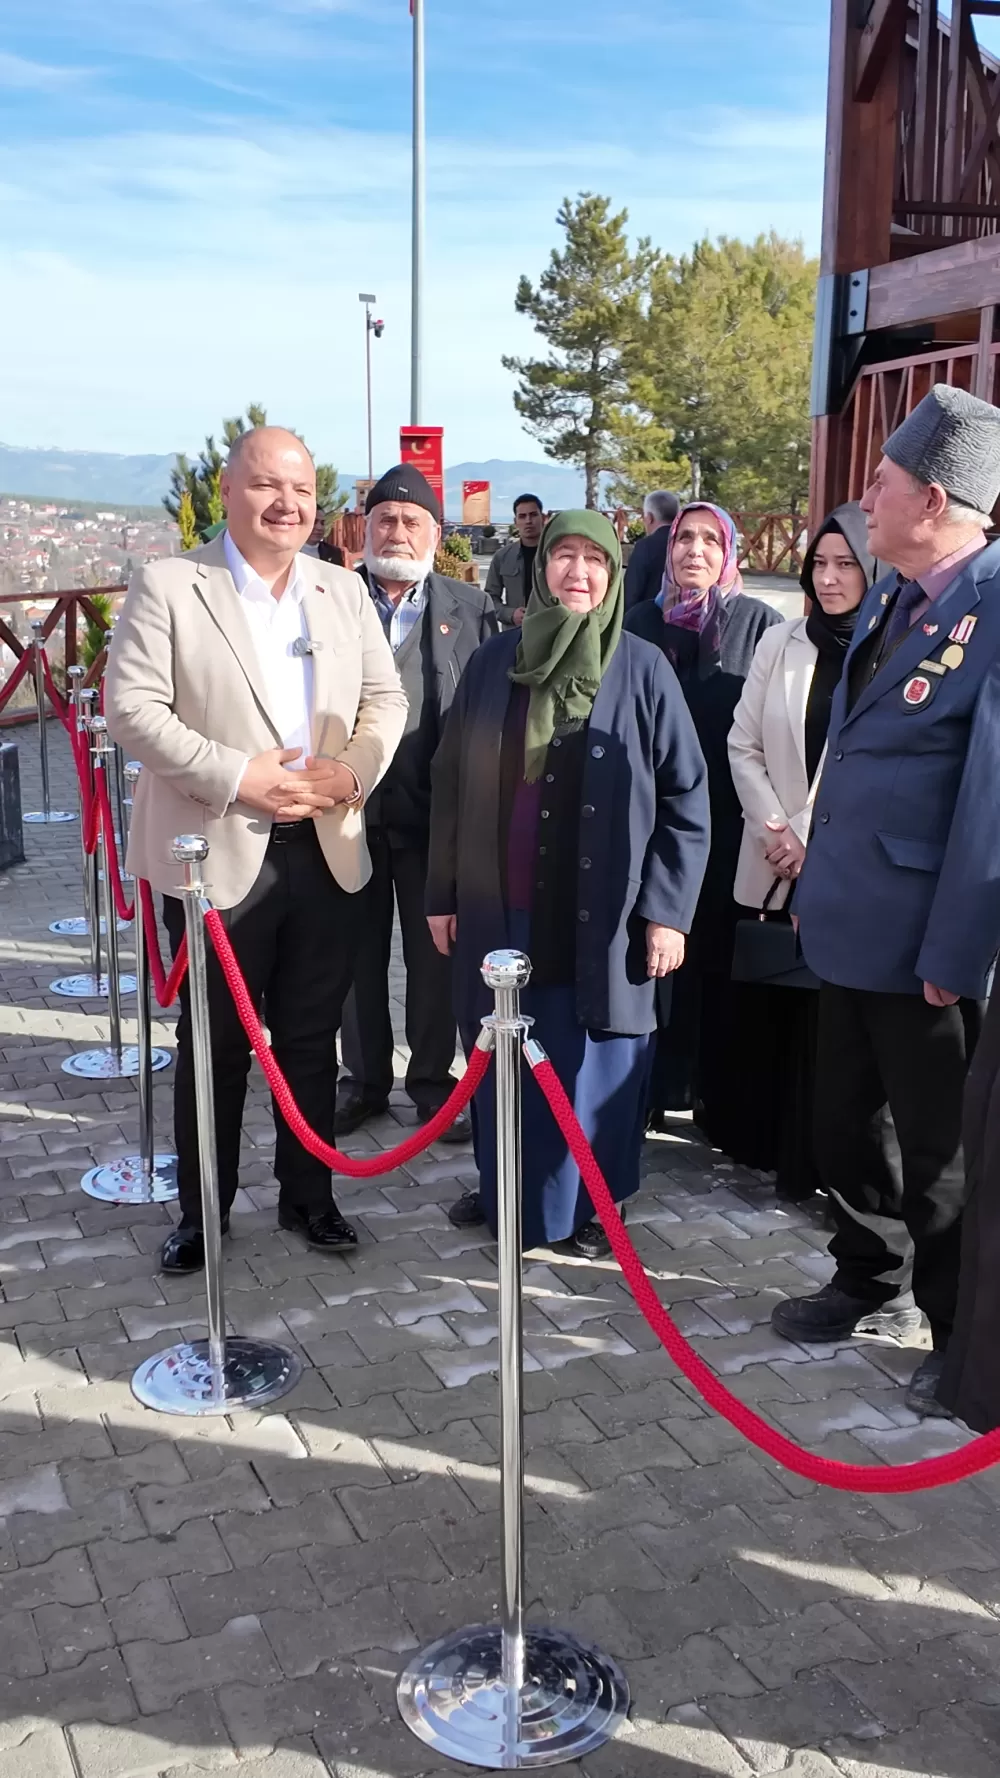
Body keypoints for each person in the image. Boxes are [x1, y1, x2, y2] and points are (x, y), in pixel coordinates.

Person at [105, 427, 408, 1274]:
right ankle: (202, 1211)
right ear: (229, 493)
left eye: (303, 490)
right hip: (212, 855)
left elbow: (387, 699)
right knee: (214, 1045)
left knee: (313, 1039)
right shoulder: (170, 584)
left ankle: (309, 1197)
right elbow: (132, 708)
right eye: (268, 486)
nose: (288, 504)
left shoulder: (343, 592)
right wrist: (240, 776)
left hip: (325, 847)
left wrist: (349, 775)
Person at [770, 384, 1000, 1417]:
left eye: (882, 481)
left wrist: (956, 952)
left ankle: (956, 1339)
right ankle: (865, 1268)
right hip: (848, 922)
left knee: (941, 1156)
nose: (863, 496)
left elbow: (990, 801)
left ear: (937, 498)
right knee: (838, 1124)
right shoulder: (902, 596)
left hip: (925, 948)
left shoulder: (991, 608)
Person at [426, 510, 710, 1259]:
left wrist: (667, 913)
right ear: (542, 566)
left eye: (596, 561)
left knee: (589, 1068)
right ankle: (505, 1187)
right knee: (502, 1057)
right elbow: (451, 781)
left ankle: (590, 1205)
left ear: (615, 577)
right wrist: (442, 893)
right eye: (565, 557)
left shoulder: (643, 668)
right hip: (500, 911)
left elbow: (687, 797)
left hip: (602, 920)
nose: (578, 572)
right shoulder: (494, 661)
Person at [335, 464, 496, 1140]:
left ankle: (432, 1082)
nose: (396, 532)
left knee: (435, 959)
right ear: (365, 528)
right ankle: (364, 1082)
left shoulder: (472, 608)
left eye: (411, 522)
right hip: (346, 820)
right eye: (384, 520)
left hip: (436, 822)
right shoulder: (330, 600)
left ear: (435, 532)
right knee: (353, 956)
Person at [726, 504, 876, 1199]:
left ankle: (831, 1173)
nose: (831, 576)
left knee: (834, 1028)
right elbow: (742, 743)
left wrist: (809, 838)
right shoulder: (781, 642)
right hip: (775, 859)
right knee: (780, 1016)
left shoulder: (889, 648)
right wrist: (778, 832)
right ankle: (776, 1158)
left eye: (847, 563)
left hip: (847, 868)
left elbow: (862, 761)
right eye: (821, 562)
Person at [626, 502, 782, 1133]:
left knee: (717, 961)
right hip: (652, 825)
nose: (695, 550)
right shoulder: (640, 622)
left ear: (729, 553)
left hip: (731, 821)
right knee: (653, 959)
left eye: (710, 540)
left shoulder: (760, 625)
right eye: (684, 538)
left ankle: (714, 1097)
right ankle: (648, 1090)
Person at [485, 493, 544, 627]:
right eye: (522, 516)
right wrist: (510, 614)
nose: (528, 521)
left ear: (543, 518)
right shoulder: (502, 557)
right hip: (515, 634)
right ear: (515, 522)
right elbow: (489, 598)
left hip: (551, 632)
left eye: (533, 515)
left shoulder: (556, 554)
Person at [624, 491, 680, 611]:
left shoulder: (645, 546)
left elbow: (631, 594)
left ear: (649, 518)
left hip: (645, 624)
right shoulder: (688, 546)